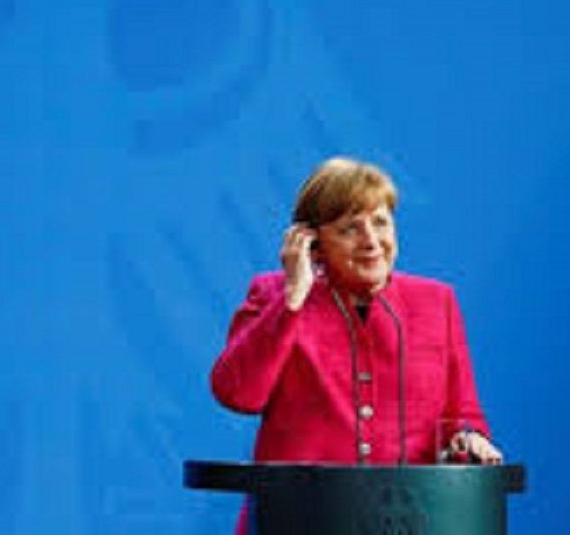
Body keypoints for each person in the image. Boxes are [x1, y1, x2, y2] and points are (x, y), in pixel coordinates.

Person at [211, 157, 502, 532]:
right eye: (350, 228)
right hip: (299, 518)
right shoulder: (273, 295)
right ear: (311, 243)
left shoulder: (437, 301)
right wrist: (291, 302)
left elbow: (463, 413)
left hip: (405, 520)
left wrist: (469, 439)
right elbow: (238, 393)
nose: (371, 242)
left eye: (380, 222)